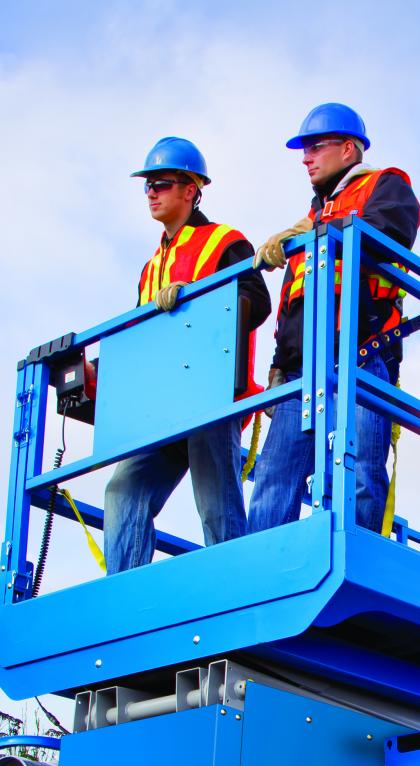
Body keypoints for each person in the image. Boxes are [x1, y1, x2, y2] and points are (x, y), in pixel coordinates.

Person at [248, 103, 420, 536]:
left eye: (315, 147)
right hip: (299, 370)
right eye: (303, 150)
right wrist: (276, 364)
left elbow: (389, 232)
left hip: (362, 355)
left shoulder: (386, 186)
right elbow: (292, 300)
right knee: (274, 478)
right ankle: (259, 574)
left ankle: (355, 557)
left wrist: (316, 229)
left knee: (359, 472)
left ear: (348, 149)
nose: (305, 158)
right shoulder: (312, 218)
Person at [103, 137, 272, 573]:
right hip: (163, 407)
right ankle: (125, 595)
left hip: (212, 397)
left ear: (191, 188)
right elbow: (140, 339)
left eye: (160, 183)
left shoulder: (224, 241)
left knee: (217, 507)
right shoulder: (150, 267)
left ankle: (233, 590)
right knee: (123, 490)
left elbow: (256, 299)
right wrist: (94, 372)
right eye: (147, 186)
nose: (151, 193)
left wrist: (194, 303)